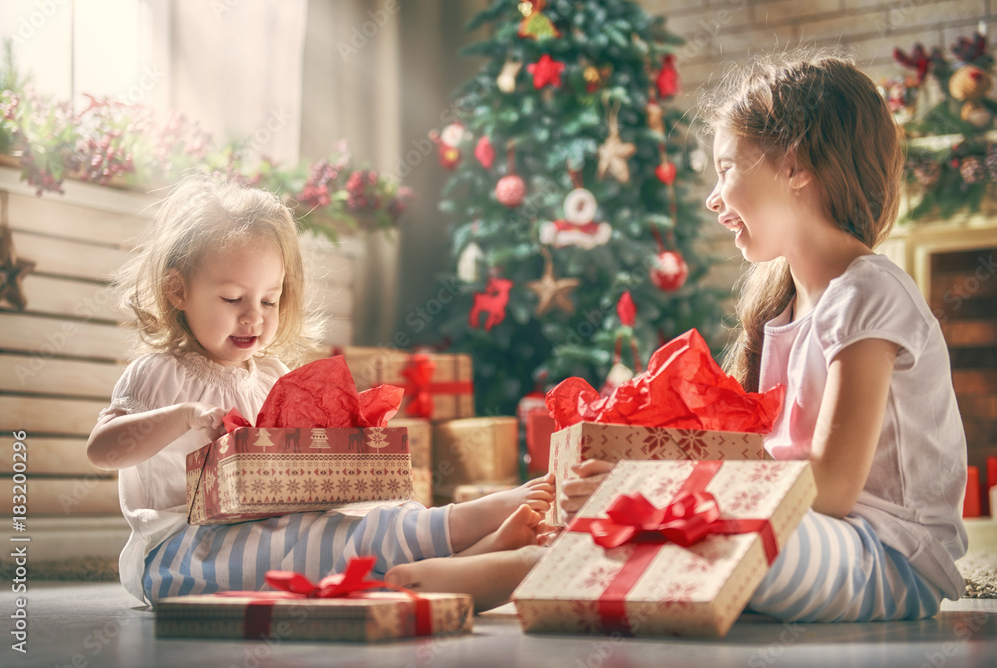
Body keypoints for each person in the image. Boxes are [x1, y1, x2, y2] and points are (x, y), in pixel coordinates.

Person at [390, 52, 970, 620]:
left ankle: (524, 571)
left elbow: (836, 488)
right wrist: (637, 485)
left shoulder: (867, 290)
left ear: (795, 164)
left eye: (726, 168)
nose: (714, 198)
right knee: (689, 520)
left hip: (887, 557)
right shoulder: (787, 308)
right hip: (806, 530)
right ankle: (543, 561)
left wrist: (655, 490)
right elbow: (759, 466)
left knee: (711, 526)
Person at [87, 176, 553, 606]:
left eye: (269, 300)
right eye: (233, 299)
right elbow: (103, 450)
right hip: (179, 549)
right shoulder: (158, 372)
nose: (254, 316)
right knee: (302, 547)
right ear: (177, 290)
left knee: (360, 519)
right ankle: (459, 537)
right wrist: (181, 416)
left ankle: (455, 558)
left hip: (266, 524)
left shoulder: (271, 375)